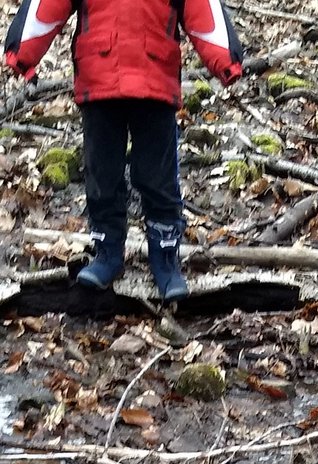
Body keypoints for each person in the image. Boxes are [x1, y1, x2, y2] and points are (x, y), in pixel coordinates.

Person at [4, 0, 243, 301]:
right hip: (99, 77)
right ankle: (107, 252)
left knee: (158, 177)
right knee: (102, 173)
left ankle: (165, 258)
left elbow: (203, 11)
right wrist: (22, 52)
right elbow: (48, 6)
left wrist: (226, 60)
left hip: (155, 79)